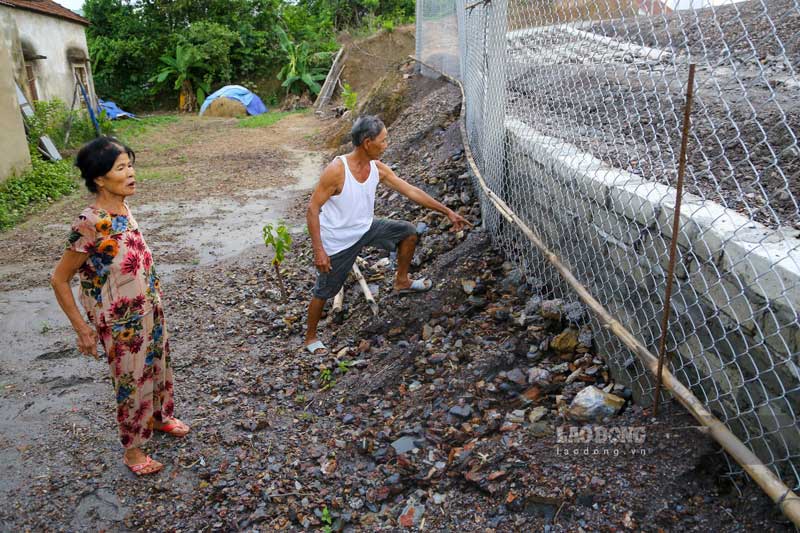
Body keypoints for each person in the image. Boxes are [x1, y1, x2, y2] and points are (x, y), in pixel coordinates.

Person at [51, 137, 189, 476]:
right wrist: (82, 329)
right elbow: (59, 279)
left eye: (130, 165)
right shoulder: (90, 222)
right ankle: (134, 451)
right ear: (100, 178)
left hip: (149, 308)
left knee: (157, 367)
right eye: (121, 168)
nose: (131, 173)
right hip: (120, 321)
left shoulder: (123, 208)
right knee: (131, 383)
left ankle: (158, 418)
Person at [304, 115, 471, 355]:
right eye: (383, 141)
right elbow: (312, 209)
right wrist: (319, 251)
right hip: (338, 241)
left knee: (408, 232)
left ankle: (402, 281)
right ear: (367, 142)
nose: (387, 144)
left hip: (365, 228)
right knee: (324, 291)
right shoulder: (336, 171)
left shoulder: (377, 168)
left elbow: (410, 190)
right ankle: (311, 338)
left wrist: (447, 211)